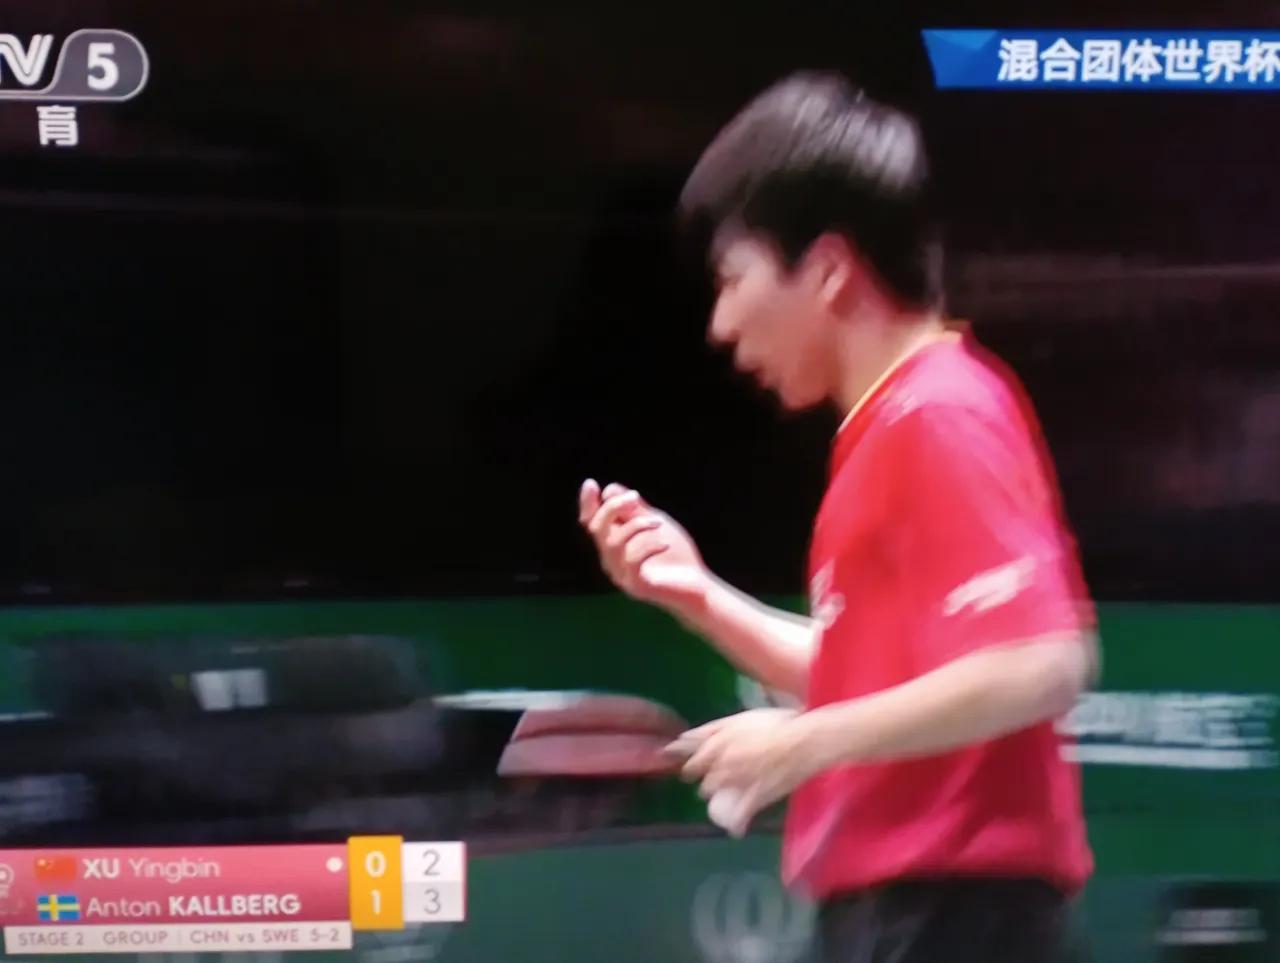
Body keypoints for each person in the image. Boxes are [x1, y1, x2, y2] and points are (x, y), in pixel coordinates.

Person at [578, 71, 1098, 962]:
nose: (720, 324)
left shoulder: (940, 411)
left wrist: (803, 744)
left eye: (732, 279)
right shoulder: (887, 429)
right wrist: (695, 593)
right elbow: (874, 675)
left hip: (953, 916)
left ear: (824, 270)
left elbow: (1042, 662)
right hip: (903, 915)